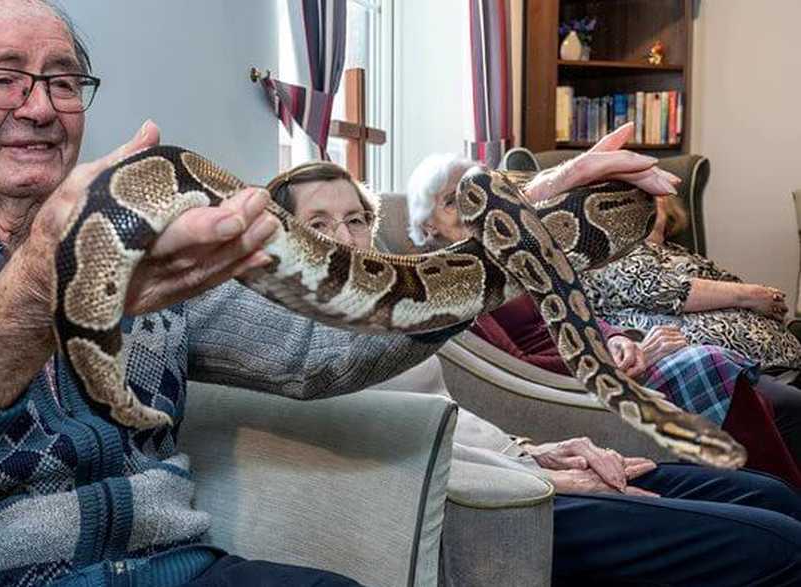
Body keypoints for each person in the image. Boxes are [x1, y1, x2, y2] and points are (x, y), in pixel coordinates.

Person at [0, 1, 449, 585]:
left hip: (182, 569)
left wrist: (486, 264)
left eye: (63, 82)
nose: (40, 108)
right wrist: (40, 283)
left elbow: (317, 351)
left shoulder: (147, 252)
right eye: (3, 79)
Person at [276, 158, 801, 586]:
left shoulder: (385, 304)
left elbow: (448, 418)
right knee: (776, 542)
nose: (343, 237)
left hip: (514, 461)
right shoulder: (291, 334)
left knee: (768, 494)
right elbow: (378, 446)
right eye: (318, 224)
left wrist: (535, 447)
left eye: (356, 219)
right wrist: (533, 472)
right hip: (477, 496)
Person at [405, 148, 801, 475]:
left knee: (761, 394)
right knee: (709, 365)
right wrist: (606, 362)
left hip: (604, 362)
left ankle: (776, 494)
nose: (471, 209)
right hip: (574, 387)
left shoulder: (513, 260)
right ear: (427, 228)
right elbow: (519, 366)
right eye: (452, 201)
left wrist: (615, 339)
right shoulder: (451, 291)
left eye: (477, 196)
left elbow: (581, 312)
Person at [581, 180, 801, 372]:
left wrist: (764, 303)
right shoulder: (613, 254)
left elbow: (735, 286)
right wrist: (753, 295)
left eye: (648, 196)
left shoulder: (681, 253)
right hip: (712, 369)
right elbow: (658, 288)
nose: (640, 204)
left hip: (777, 362)